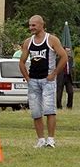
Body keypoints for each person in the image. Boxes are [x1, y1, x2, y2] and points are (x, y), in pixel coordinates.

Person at [18, 15, 68, 148]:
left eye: (33, 25)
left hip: (47, 80)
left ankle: (50, 139)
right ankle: (40, 139)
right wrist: (27, 78)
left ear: (41, 25)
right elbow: (22, 62)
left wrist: (54, 73)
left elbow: (64, 57)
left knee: (49, 110)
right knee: (35, 111)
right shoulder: (28, 42)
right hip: (33, 80)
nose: (31, 28)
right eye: (30, 25)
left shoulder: (51, 40)